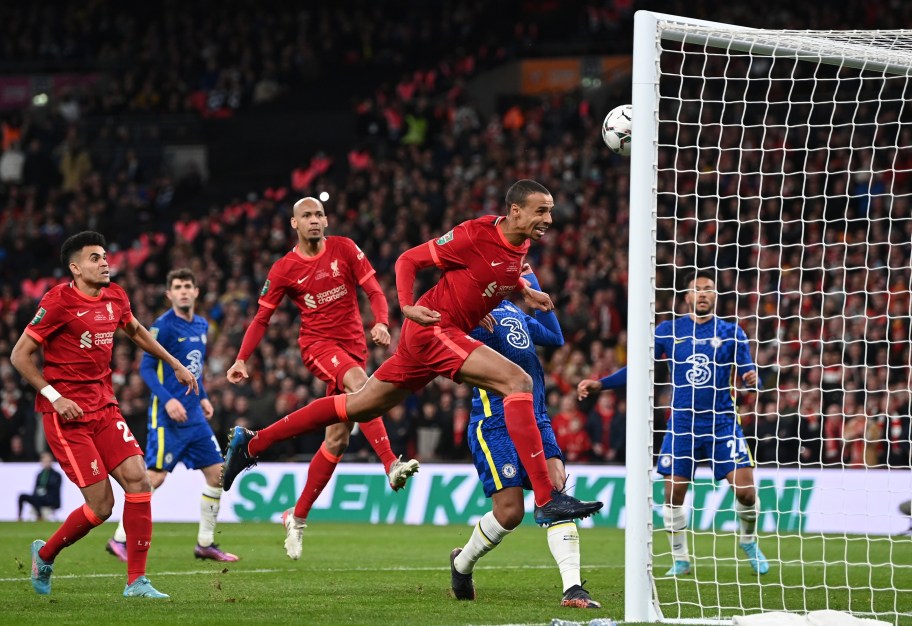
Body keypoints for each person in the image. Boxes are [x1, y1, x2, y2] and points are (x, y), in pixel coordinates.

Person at [223, 180, 603, 528]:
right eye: (541, 211)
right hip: (433, 327)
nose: (549, 219)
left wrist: (522, 289)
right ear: (515, 211)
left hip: (429, 338)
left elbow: (491, 273)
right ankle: (546, 497)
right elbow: (407, 260)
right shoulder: (473, 233)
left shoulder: (520, 243)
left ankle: (252, 443)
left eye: (550, 211)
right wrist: (404, 306)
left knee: (358, 406)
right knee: (516, 381)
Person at [226, 197, 420, 560]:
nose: (314, 220)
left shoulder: (345, 249)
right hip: (317, 345)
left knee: (337, 440)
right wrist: (241, 359)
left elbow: (375, 291)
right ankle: (390, 463)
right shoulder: (285, 268)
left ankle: (295, 517)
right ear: (294, 224)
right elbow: (261, 319)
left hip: (353, 345)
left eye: (318, 215)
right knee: (362, 386)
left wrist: (380, 321)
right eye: (306, 216)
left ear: (326, 219)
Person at [10, 231, 198, 598]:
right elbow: (20, 355)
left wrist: (173, 362)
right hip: (66, 416)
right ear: (75, 267)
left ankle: (136, 582)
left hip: (105, 406)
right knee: (101, 506)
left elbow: (137, 331)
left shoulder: (116, 296)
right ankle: (45, 555)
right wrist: (54, 396)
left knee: (139, 481)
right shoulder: (58, 301)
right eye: (95, 258)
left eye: (105, 256)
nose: (104, 262)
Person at [578, 270, 769, 576]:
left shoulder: (732, 332)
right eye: (698, 289)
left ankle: (748, 541)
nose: (704, 294)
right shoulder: (669, 331)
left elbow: (749, 373)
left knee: (746, 492)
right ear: (687, 298)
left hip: (722, 423)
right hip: (682, 424)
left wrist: (752, 380)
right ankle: (680, 558)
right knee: (673, 495)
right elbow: (640, 366)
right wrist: (601, 384)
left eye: (709, 289)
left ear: (716, 296)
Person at [450, 264, 602, 609]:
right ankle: (462, 564)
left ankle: (573, 589)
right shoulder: (470, 312)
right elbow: (443, 337)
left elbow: (555, 337)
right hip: (495, 422)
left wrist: (535, 291)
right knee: (509, 513)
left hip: (537, 417)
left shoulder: (514, 311)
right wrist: (463, 324)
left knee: (556, 490)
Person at [105, 268, 238, 564]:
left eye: (188, 286)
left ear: (196, 292)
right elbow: (146, 368)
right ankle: (119, 538)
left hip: (194, 417)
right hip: (167, 417)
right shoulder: (162, 326)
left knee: (217, 475)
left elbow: (195, 368)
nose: (183, 291)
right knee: (155, 477)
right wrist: (166, 401)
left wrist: (202, 397)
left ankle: (205, 543)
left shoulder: (202, 325)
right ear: (169, 294)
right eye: (177, 287)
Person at [18, 452, 62, 521]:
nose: (46, 463)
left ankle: (40, 516)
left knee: (37, 498)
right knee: (22, 496)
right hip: (38, 498)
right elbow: (35, 488)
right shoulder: (40, 474)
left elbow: (56, 491)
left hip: (49, 499)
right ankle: (19, 517)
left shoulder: (56, 475)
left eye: (48, 461)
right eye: (44, 461)